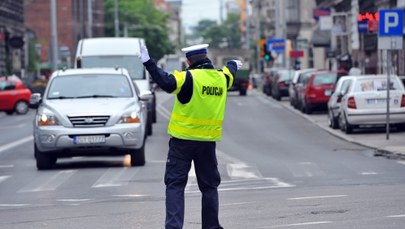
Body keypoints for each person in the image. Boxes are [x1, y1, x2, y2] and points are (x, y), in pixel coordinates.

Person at [138, 43, 242, 229]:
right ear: (206, 56)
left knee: (175, 185)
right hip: (207, 143)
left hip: (182, 142)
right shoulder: (221, 78)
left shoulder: (187, 77)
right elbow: (230, 71)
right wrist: (233, 63)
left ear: (188, 61)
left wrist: (148, 63)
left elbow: (166, 82)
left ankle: (174, 227)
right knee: (209, 187)